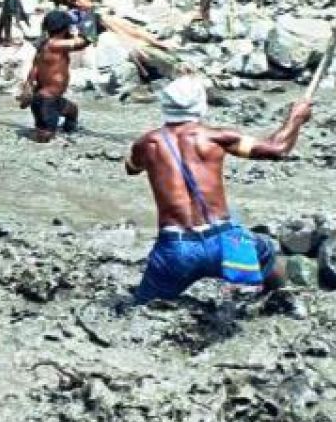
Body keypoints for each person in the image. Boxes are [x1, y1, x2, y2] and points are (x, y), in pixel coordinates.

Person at [125, 78, 311, 305]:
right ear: (200, 105)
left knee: (141, 308)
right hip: (226, 241)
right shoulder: (218, 138)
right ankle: (283, 302)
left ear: (164, 105)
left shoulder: (147, 144)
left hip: (176, 249)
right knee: (266, 252)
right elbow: (278, 149)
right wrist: (295, 118)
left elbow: (131, 167)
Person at [19, 10, 91, 142]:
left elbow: (34, 70)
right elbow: (82, 43)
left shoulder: (44, 46)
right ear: (63, 29)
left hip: (50, 99)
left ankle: (68, 134)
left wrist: (28, 90)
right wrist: (91, 21)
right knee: (45, 137)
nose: (71, 31)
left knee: (72, 111)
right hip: (46, 101)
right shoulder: (54, 45)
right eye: (70, 28)